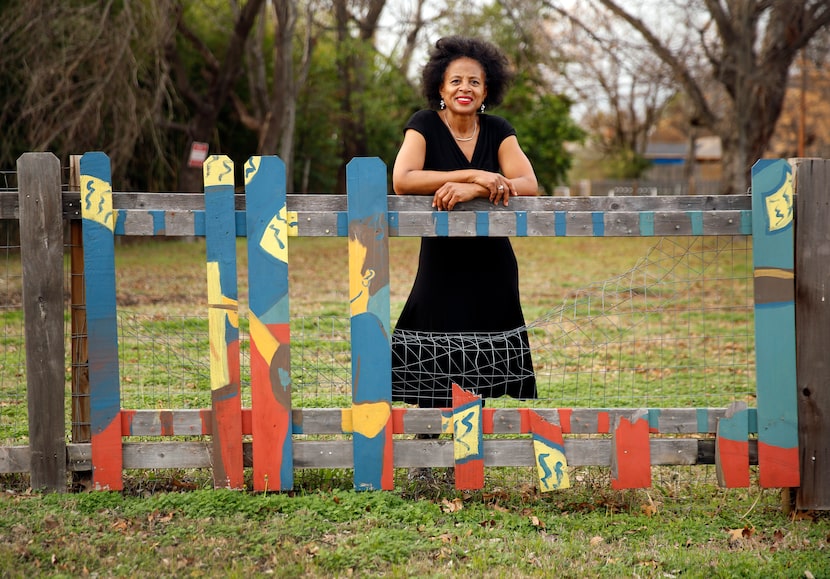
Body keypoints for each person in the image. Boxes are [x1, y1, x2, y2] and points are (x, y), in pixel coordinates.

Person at [391, 36, 538, 411]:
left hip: (492, 262)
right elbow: (404, 179)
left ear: (486, 89)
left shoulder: (498, 129)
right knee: (431, 347)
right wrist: (474, 175)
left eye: (474, 81)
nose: (464, 88)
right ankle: (428, 451)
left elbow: (528, 185)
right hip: (441, 260)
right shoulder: (423, 124)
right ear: (440, 86)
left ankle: (469, 451)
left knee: (481, 356)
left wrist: (473, 190)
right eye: (456, 80)